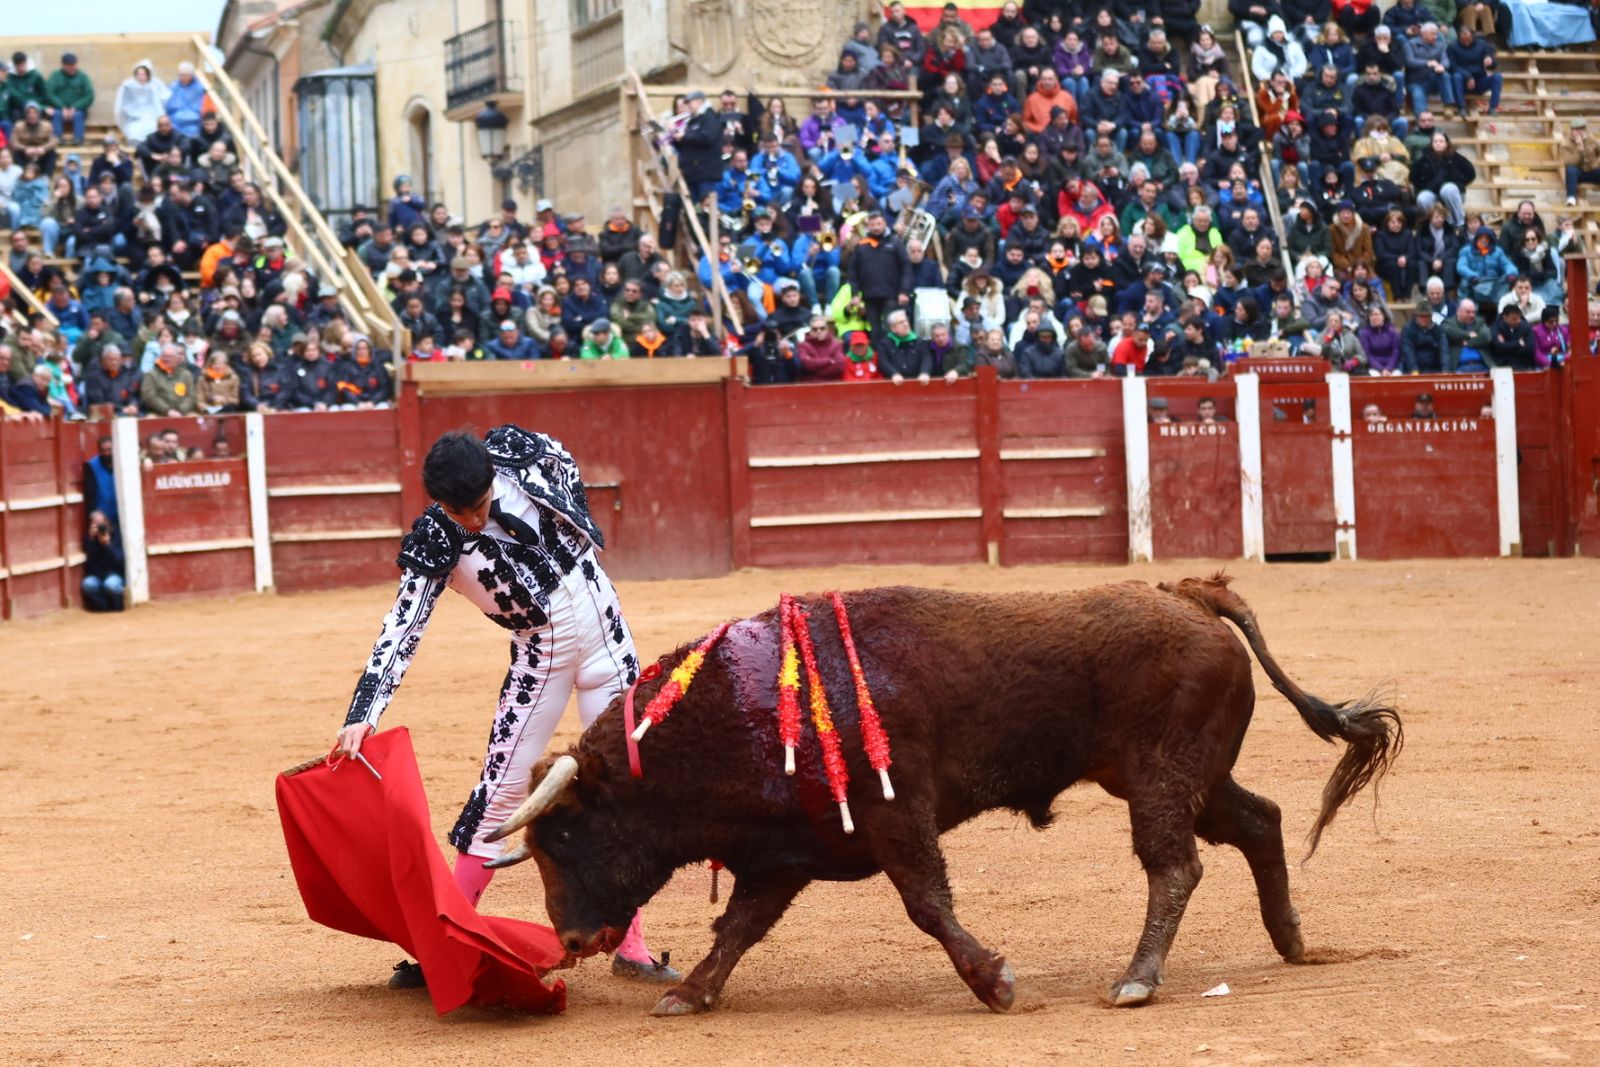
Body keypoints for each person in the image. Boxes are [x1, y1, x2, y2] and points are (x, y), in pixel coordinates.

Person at [335, 427, 679, 990]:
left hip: (606, 633)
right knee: (498, 796)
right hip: (538, 658)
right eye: (456, 510)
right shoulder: (436, 538)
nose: (470, 520)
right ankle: (447, 941)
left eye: (478, 506)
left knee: (624, 786)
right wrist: (363, 712)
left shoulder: (528, 454)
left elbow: (573, 485)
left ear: (491, 480)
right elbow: (402, 627)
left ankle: (633, 946)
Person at [114, 60, 168, 145]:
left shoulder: (155, 85)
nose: (141, 77)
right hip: (134, 119)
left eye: (144, 74)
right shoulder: (128, 86)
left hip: (152, 118)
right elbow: (123, 105)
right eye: (139, 74)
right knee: (134, 132)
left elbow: (161, 102)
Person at [81, 510, 125, 612]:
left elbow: (119, 561)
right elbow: (89, 562)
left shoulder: (115, 535)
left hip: (113, 574)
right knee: (88, 584)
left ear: (107, 523)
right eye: (95, 524)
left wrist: (108, 545)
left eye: (100, 523)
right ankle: (104, 607)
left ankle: (118, 607)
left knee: (111, 585)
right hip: (97, 575)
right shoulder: (89, 538)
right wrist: (91, 540)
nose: (99, 527)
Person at [46, 53, 94, 146]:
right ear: (63, 65)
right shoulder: (55, 76)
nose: (72, 67)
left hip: (78, 110)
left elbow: (89, 95)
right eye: (69, 65)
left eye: (73, 64)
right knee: (56, 114)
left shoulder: (82, 77)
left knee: (78, 115)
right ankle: (57, 138)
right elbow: (49, 93)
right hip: (59, 109)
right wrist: (62, 107)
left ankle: (78, 138)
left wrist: (75, 107)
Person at [1562, 118, 1600, 207]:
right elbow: (1570, 162)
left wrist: (1597, 163)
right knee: (1570, 170)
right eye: (1576, 130)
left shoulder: (1591, 140)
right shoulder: (1566, 144)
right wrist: (1580, 149)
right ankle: (1571, 197)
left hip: (1592, 170)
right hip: (1578, 173)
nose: (1579, 132)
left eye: (1581, 129)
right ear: (1572, 131)